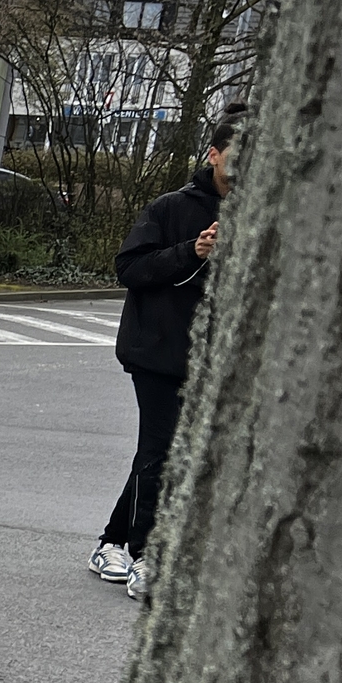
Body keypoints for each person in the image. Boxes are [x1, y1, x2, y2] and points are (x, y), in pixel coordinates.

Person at [91, 120, 234, 601]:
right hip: (156, 351)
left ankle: (111, 541)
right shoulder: (171, 207)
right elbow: (128, 268)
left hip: (210, 357)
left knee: (166, 451)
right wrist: (190, 250)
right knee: (164, 450)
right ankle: (145, 555)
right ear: (214, 154)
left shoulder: (262, 212)